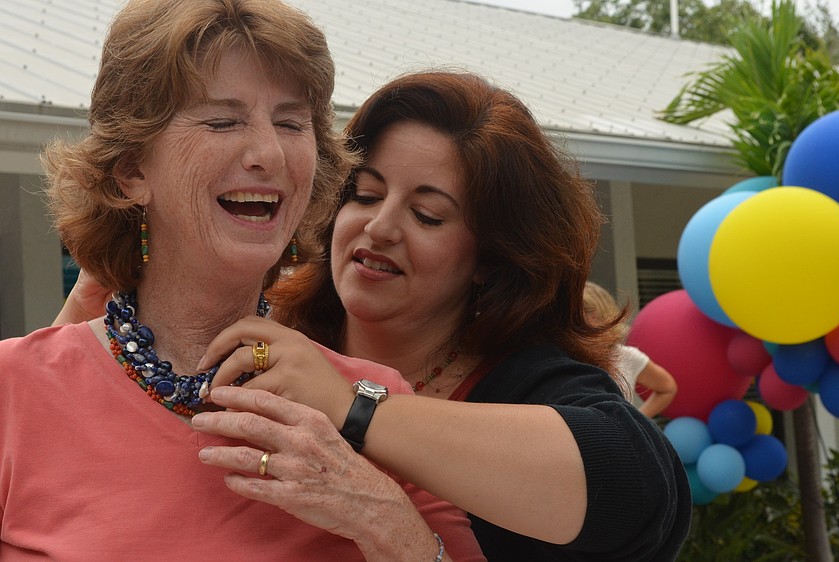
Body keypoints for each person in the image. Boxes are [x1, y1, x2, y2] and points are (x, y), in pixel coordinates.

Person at [1, 1, 485, 560]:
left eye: (291, 123)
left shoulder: (375, 407)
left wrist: (386, 519)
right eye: (222, 121)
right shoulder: (15, 390)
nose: (269, 154)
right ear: (132, 170)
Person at [189, 71, 692, 561]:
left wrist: (352, 405)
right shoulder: (266, 339)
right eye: (366, 195)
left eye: (427, 215)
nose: (380, 227)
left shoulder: (527, 383)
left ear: (489, 257)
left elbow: (641, 492)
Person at [583, 281, 679, 418]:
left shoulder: (626, 356)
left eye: (587, 312)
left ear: (605, 316)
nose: (577, 321)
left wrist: (635, 420)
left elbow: (667, 388)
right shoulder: (559, 356)